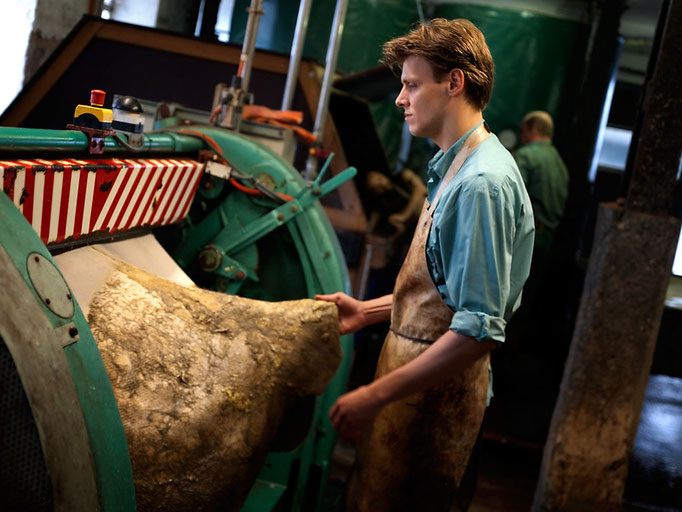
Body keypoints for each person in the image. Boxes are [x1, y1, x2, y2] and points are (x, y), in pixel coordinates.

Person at [316, 18, 535, 511]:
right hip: (413, 398)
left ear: (453, 82)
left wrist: (373, 396)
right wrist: (367, 312)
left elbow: (477, 328)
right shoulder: (453, 165)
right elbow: (441, 295)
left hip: (436, 408)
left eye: (412, 84)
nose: (400, 98)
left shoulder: (481, 184)